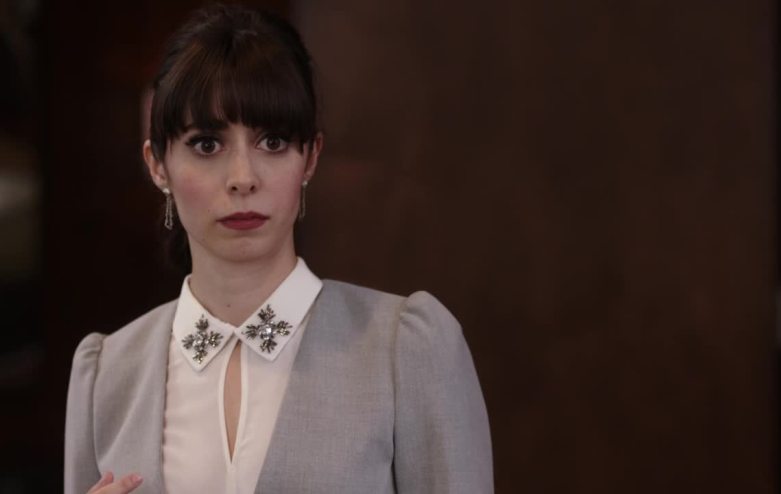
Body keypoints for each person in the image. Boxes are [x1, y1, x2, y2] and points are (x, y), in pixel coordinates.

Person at [64, 4, 492, 493]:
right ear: (157, 164)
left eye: (272, 142)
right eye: (207, 144)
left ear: (310, 158)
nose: (243, 178)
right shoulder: (106, 375)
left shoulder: (406, 350)